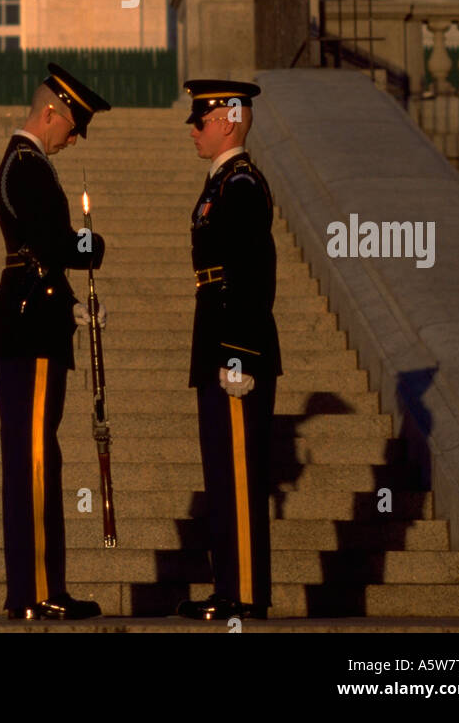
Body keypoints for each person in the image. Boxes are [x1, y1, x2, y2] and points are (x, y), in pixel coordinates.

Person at [0, 61, 111, 620]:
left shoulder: (25, 163)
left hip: (34, 314)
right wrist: (92, 246)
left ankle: (35, 588)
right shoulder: (29, 165)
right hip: (31, 322)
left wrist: (74, 300)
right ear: (51, 113)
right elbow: (53, 244)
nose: (76, 137)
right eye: (74, 125)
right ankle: (38, 591)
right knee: (36, 459)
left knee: (34, 457)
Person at [176, 79, 282, 622]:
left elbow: (252, 273)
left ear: (230, 120)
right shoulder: (222, 182)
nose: (193, 128)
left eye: (202, 118)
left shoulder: (240, 184)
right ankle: (230, 587)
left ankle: (243, 593)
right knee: (222, 471)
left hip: (235, 346)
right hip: (216, 339)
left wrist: (237, 352)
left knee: (238, 472)